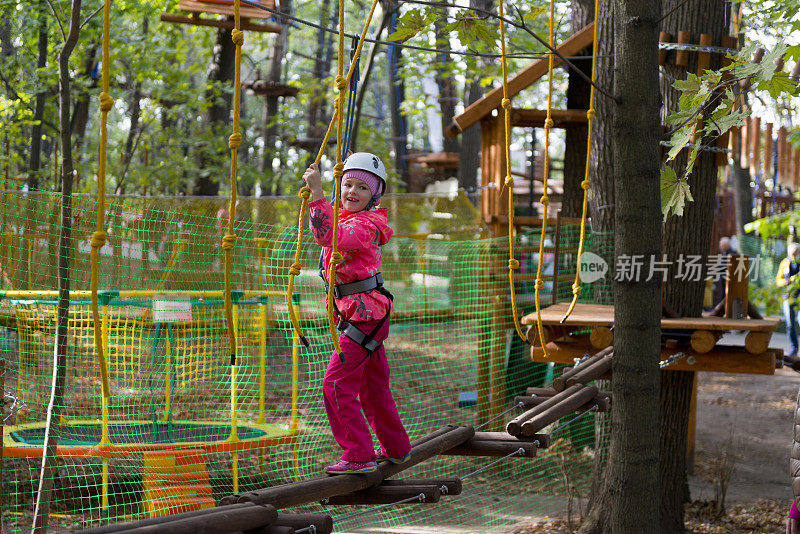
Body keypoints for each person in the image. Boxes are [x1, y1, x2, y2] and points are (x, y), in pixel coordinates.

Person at [302, 152, 412, 476]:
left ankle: (358, 453)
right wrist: (325, 192)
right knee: (372, 387)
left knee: (335, 384)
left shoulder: (366, 225)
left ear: (374, 197)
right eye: (347, 184)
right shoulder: (347, 216)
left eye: (361, 188)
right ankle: (396, 448)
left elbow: (329, 235)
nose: (352, 191)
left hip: (365, 316)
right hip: (361, 315)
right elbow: (330, 223)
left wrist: (318, 194)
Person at [778, 243, 800, 359]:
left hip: (799, 297)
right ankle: (794, 347)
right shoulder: (784, 263)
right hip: (788, 297)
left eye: (796, 254)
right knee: (790, 324)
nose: (794, 257)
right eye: (792, 255)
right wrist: (786, 282)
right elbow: (778, 280)